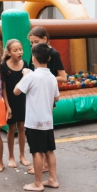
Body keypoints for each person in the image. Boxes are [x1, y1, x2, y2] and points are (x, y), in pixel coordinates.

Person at [14, 43, 60, 192]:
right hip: (48, 120)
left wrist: (24, 75)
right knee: (49, 150)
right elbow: (57, 98)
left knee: (36, 152)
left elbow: (16, 92)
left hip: (34, 122)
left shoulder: (31, 76)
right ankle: (53, 179)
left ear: (33, 58)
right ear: (48, 58)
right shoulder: (52, 77)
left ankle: (38, 183)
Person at [26, 27, 67, 174]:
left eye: (36, 41)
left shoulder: (53, 54)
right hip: (36, 96)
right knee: (39, 130)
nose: (33, 45)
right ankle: (41, 163)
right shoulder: (35, 53)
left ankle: (43, 164)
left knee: (42, 131)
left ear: (45, 39)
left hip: (46, 97)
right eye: (31, 43)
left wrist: (42, 79)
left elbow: (63, 77)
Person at [0, 39, 31, 167]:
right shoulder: (4, 66)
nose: (19, 52)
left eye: (20, 49)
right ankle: (11, 156)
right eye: (15, 50)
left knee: (22, 127)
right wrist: (7, 106)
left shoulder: (25, 63)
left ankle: (22, 155)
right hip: (10, 101)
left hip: (22, 100)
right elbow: (3, 88)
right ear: (8, 52)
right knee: (11, 128)